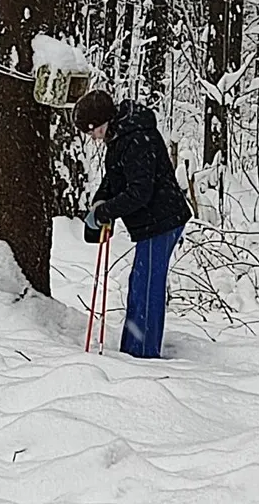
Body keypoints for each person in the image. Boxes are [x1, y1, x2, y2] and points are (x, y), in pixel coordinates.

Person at [73, 89, 192, 359]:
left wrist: (108, 211)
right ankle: (133, 348)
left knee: (147, 284)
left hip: (161, 220)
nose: (91, 137)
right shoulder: (119, 136)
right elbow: (116, 177)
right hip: (152, 221)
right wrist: (100, 200)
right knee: (140, 281)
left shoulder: (136, 138)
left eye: (91, 131)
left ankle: (143, 354)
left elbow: (140, 191)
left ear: (101, 121)